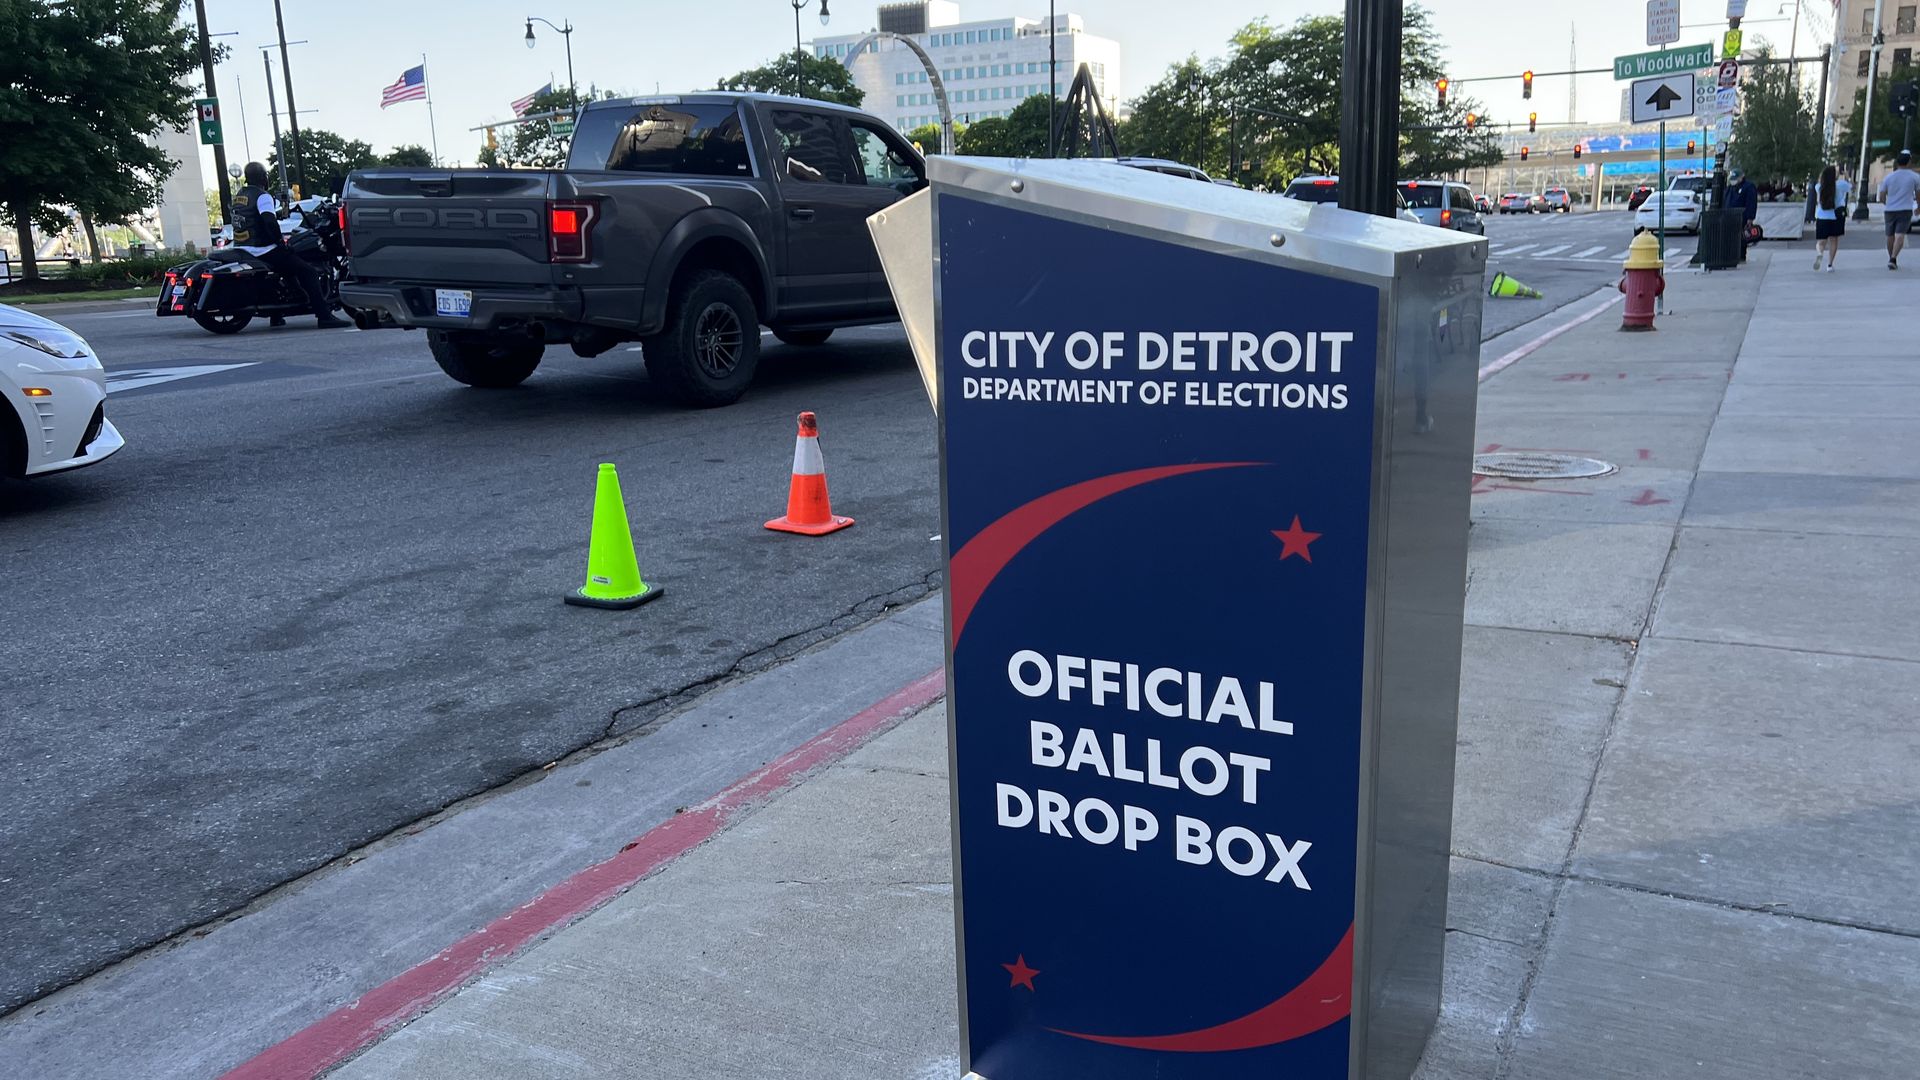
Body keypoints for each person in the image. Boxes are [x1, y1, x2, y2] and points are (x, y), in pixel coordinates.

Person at [230, 161, 348, 328]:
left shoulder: (240, 195)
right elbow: (269, 221)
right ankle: (324, 316)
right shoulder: (262, 196)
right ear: (263, 177)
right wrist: (280, 242)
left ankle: (277, 315)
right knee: (307, 271)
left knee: (287, 267)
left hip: (243, 247)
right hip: (261, 249)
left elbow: (253, 217)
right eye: (266, 175)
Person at [1877, 150, 1920, 269]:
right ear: (1909, 162)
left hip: (1890, 209)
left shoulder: (1889, 177)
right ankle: (1893, 258)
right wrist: (1919, 207)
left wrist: (1887, 203)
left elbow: (1882, 196)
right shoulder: (1915, 177)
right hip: (1905, 209)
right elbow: (1918, 195)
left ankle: (1891, 257)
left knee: (1890, 235)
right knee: (1900, 235)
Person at [1813, 164, 1850, 272]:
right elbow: (1851, 186)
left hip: (1822, 217)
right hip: (1836, 217)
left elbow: (1820, 181)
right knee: (1834, 240)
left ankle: (1820, 254)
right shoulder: (1841, 185)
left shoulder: (1819, 187)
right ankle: (1829, 265)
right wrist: (1847, 175)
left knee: (1821, 242)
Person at [1726, 168, 1760, 260]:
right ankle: (1732, 255)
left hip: (1742, 217)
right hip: (1730, 217)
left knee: (1742, 237)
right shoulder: (1731, 187)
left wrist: (1750, 218)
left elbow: (1751, 203)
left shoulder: (1748, 187)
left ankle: (1741, 256)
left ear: (1741, 177)